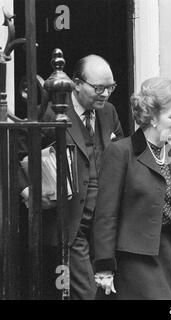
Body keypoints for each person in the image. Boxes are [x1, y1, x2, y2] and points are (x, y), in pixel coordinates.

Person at [20, 54, 124, 299]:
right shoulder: (50, 112)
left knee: (104, 293)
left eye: (110, 87)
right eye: (99, 88)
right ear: (77, 83)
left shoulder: (109, 112)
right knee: (84, 293)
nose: (106, 94)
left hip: (102, 223)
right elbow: (16, 152)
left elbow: (120, 153)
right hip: (68, 221)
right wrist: (28, 192)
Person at [92, 77, 171, 300]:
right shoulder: (121, 152)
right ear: (153, 118)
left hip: (167, 255)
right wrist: (104, 266)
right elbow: (106, 214)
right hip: (134, 260)